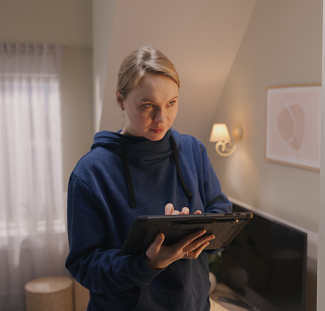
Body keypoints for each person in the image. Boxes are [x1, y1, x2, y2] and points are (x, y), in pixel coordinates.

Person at [65, 45, 231, 310]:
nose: (161, 118)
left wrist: (194, 236)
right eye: (147, 105)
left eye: (171, 103)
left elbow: (221, 211)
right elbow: (85, 267)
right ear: (120, 99)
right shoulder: (90, 174)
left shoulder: (193, 151)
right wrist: (147, 264)